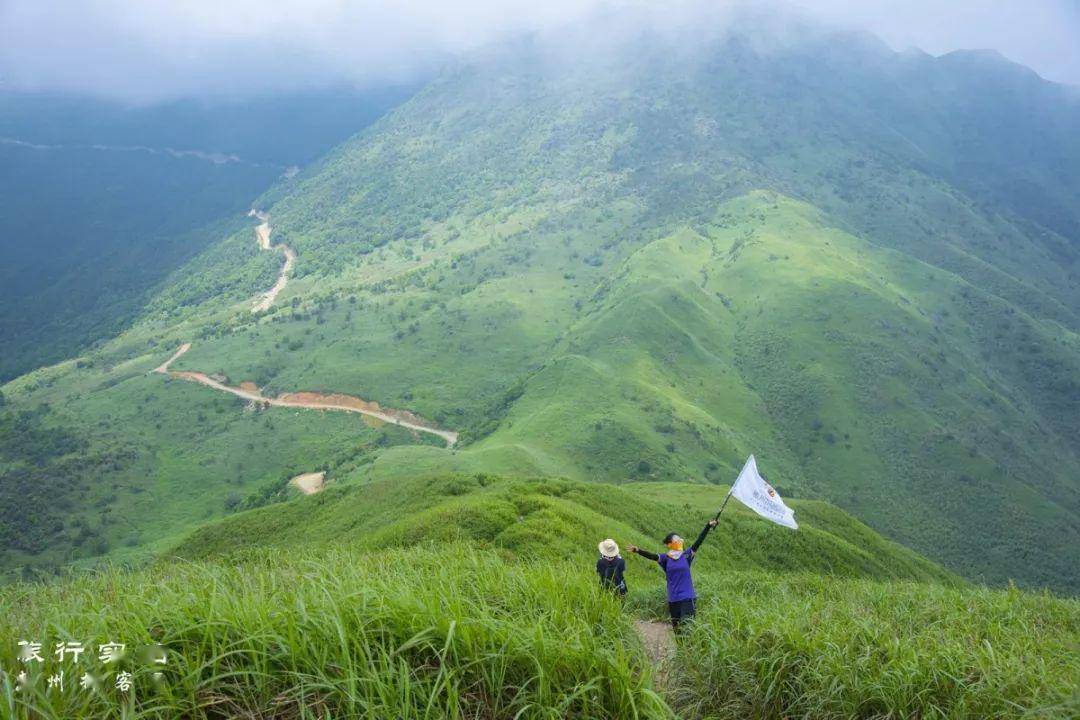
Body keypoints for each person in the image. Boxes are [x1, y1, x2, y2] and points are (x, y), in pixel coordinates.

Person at [628, 518, 719, 631]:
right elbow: (652, 556)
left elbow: (698, 542)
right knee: (677, 630)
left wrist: (708, 526)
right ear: (670, 544)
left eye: (680, 539)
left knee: (688, 628)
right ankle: (681, 648)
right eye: (676, 540)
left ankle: (689, 648)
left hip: (687, 597)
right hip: (673, 599)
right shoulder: (665, 558)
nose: (680, 541)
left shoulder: (687, 555)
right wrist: (638, 550)